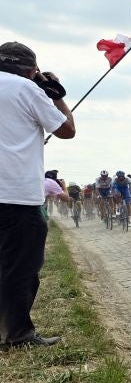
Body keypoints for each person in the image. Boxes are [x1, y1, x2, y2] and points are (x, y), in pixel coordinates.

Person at [0, 41, 75, 348]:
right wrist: (55, 92)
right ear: (31, 70)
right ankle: (17, 335)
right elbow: (66, 129)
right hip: (16, 194)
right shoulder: (26, 89)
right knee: (20, 267)